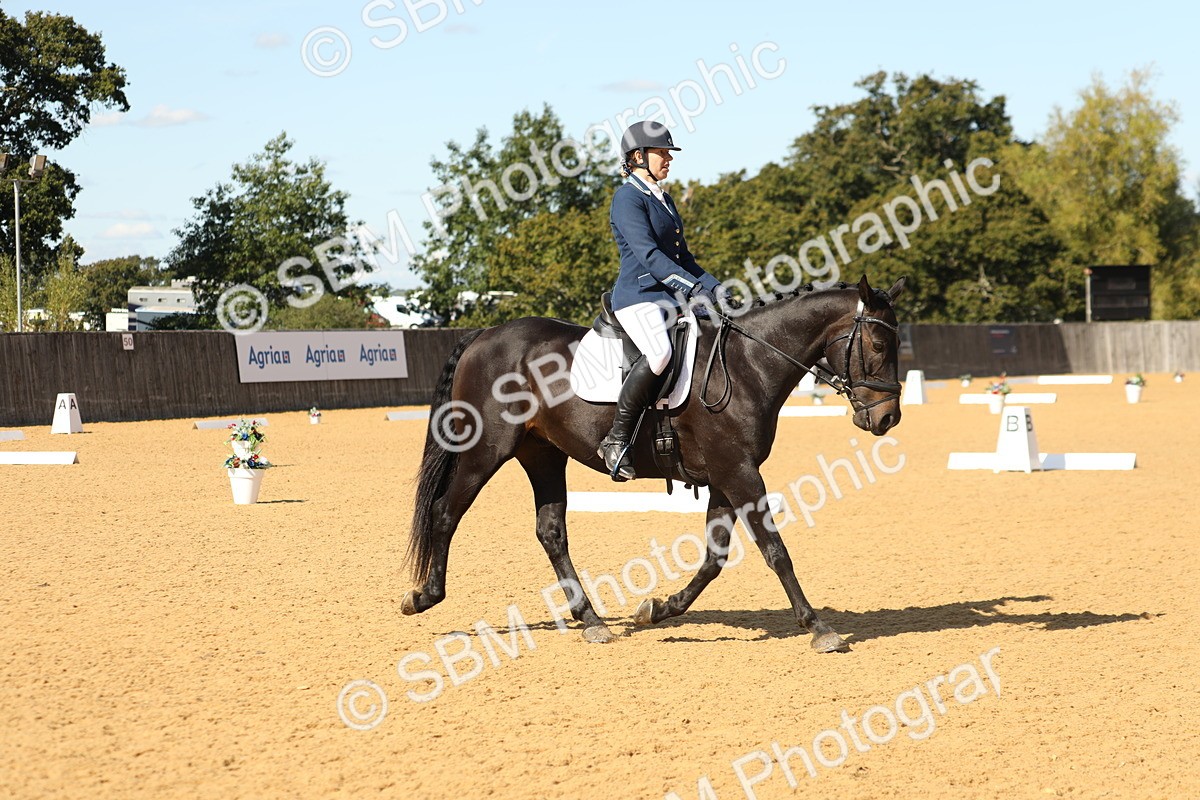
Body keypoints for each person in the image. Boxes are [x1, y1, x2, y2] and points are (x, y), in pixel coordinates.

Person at [597, 121, 727, 481]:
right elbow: (650, 255)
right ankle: (616, 439)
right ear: (638, 156)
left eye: (668, 153)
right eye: (662, 152)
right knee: (660, 353)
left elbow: (683, 258)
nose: (668, 158)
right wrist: (690, 288)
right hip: (638, 296)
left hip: (667, 295)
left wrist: (716, 289)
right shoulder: (628, 197)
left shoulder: (664, 199)